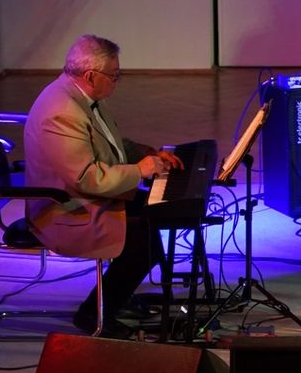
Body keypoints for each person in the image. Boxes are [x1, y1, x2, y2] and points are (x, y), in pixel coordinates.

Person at [22, 35, 182, 337]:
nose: (117, 81)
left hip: (79, 197)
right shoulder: (62, 112)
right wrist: (140, 170)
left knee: (155, 211)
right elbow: (87, 177)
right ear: (90, 76)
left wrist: (148, 154)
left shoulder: (81, 96)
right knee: (142, 241)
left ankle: (117, 294)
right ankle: (92, 314)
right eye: (114, 75)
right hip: (63, 210)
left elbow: (111, 145)